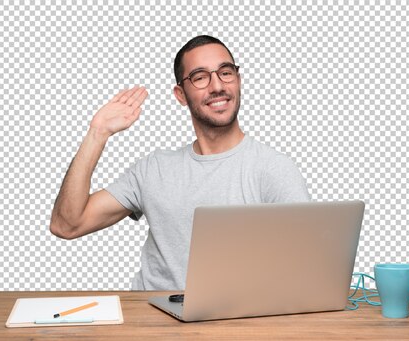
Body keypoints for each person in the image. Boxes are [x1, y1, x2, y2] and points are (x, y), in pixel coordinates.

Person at [50, 35, 310, 290]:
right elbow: (67, 224)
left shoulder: (274, 169)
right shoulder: (154, 169)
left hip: (230, 322)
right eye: (200, 77)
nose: (217, 86)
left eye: (226, 72)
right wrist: (97, 134)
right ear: (181, 95)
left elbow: (306, 266)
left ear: (238, 80)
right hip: (150, 321)